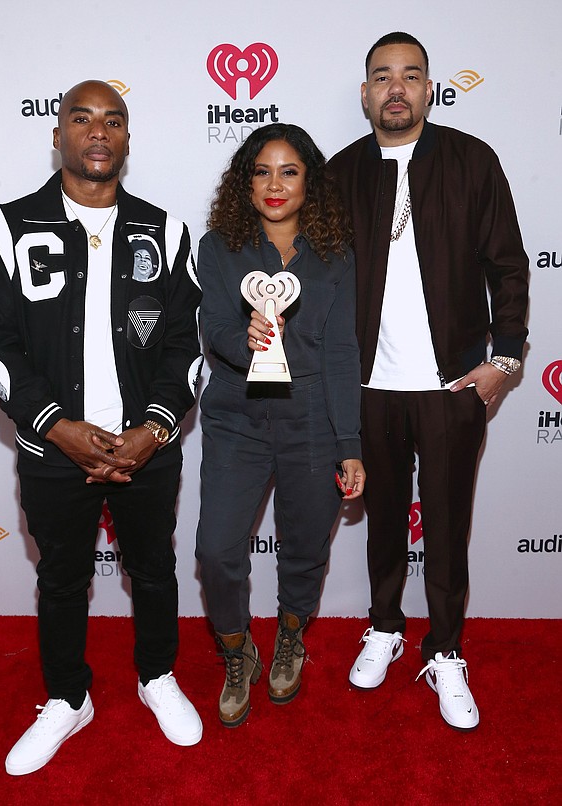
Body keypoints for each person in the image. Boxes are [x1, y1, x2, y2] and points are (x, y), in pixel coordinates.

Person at [0, 80, 204, 775]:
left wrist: (154, 427)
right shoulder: (5, 227)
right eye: (82, 118)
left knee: (154, 570)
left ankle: (156, 676)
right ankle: (69, 697)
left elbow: (188, 343)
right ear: (58, 133)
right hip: (51, 450)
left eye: (114, 120)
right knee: (63, 580)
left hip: (148, 448)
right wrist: (57, 426)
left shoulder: (166, 231)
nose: (98, 132)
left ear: (128, 138)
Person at [328, 32, 529, 730]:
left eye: (410, 76)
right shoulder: (341, 173)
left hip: (451, 388)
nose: (396, 88)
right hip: (368, 389)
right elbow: (321, 281)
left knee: (446, 527)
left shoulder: (472, 161)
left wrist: (504, 360)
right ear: (365, 93)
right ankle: (385, 627)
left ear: (429, 88)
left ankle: (445, 650)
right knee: (383, 521)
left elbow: (508, 263)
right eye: (382, 76)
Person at [195, 123, 365, 728]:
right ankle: (238, 650)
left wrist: (350, 444)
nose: (274, 184)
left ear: (309, 182)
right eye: (261, 171)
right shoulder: (218, 248)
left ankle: (291, 633)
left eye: (289, 171)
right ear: (245, 182)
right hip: (237, 419)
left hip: (314, 422)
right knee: (215, 549)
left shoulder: (336, 255)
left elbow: (343, 352)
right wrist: (242, 340)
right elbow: (213, 328)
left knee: (304, 548)